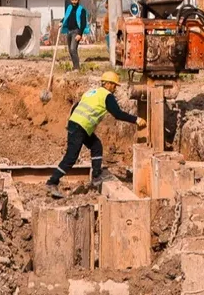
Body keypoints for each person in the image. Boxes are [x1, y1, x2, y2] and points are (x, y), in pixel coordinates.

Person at [46, 71, 146, 199]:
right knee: (71, 157)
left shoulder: (91, 92)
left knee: (96, 145)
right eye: (114, 85)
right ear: (108, 84)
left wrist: (72, 121)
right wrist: (136, 120)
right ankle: (52, 182)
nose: (115, 88)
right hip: (80, 127)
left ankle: (96, 176)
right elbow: (117, 114)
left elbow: (77, 105)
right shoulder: (107, 96)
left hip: (76, 124)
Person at [61, 0, 91, 70]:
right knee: (70, 51)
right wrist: (61, 21)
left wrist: (80, 34)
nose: (74, 2)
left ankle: (77, 68)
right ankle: (75, 66)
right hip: (69, 31)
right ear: (71, 0)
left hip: (76, 31)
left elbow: (83, 23)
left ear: (78, 0)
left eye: (75, 0)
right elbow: (66, 17)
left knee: (73, 49)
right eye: (72, 0)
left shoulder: (82, 10)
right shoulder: (69, 8)